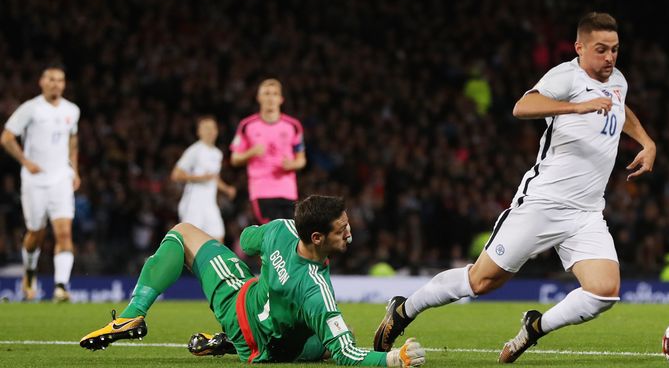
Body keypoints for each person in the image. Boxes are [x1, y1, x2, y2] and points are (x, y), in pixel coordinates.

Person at [373, 12, 657, 364]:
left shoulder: (617, 80)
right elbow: (523, 106)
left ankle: (536, 327)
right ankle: (403, 310)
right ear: (580, 47)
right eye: (601, 50)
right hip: (541, 203)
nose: (610, 58)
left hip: (586, 212)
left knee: (604, 291)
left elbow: (621, 106)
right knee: (480, 282)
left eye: (615, 50)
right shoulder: (565, 76)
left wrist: (646, 141)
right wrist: (576, 108)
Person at [80, 195, 426, 367]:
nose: (350, 231)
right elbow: (346, 353)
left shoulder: (281, 229)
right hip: (259, 337)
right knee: (326, 342)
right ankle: (231, 340)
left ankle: (134, 312)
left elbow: (246, 240)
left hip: (241, 298)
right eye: (342, 229)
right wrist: (396, 359)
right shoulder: (315, 292)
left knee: (182, 233)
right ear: (318, 237)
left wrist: (267, 250)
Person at [1, 66, 81, 302]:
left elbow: (72, 140)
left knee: (64, 232)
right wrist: (25, 161)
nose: (56, 84)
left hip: (61, 179)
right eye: (51, 80)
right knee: (36, 233)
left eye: (60, 80)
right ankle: (30, 271)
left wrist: (74, 170)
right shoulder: (31, 108)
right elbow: (6, 137)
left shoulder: (72, 110)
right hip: (35, 181)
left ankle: (61, 287)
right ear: (42, 82)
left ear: (64, 84)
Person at [230, 78, 306, 224]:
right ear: (259, 98)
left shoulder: (293, 126)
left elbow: (301, 159)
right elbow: (235, 158)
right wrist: (251, 152)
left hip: (288, 190)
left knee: (291, 233)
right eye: (266, 93)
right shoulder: (247, 125)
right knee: (272, 233)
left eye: (274, 94)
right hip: (262, 190)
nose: (270, 98)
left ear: (281, 99)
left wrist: (292, 164)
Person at [171, 115, 236, 243]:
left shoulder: (217, 153)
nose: (209, 131)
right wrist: (200, 178)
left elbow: (214, 178)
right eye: (206, 128)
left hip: (210, 204)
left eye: (212, 128)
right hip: (193, 204)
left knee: (218, 240)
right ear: (199, 132)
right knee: (190, 242)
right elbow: (176, 174)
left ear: (217, 131)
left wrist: (227, 189)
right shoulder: (194, 150)